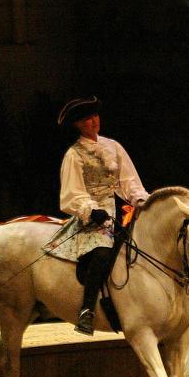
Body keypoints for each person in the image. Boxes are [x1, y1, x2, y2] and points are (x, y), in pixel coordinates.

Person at [45, 96, 150, 335]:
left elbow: (129, 181)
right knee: (102, 252)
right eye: (86, 119)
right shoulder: (74, 154)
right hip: (94, 215)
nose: (93, 122)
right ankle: (87, 310)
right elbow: (71, 193)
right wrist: (91, 210)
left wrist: (141, 200)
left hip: (118, 210)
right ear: (78, 125)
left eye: (95, 117)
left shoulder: (113, 146)